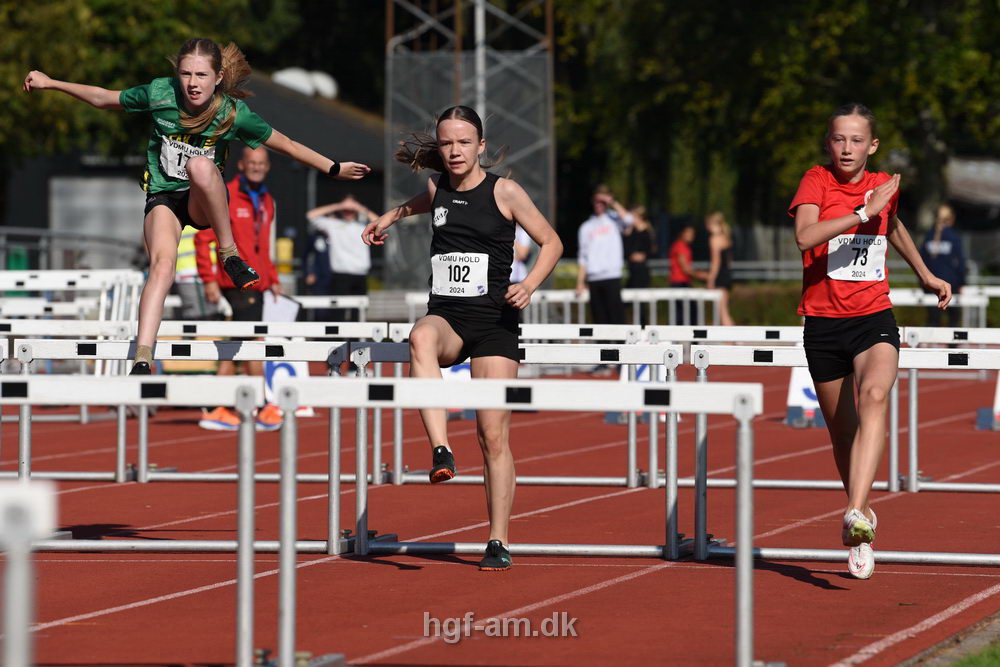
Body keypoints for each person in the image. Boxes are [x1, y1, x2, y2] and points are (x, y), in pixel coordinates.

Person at [23, 38, 369, 375]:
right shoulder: (160, 94)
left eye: (201, 75)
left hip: (204, 199)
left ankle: (229, 253)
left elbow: (287, 145)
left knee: (200, 166)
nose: (192, 84)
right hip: (164, 197)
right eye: (186, 74)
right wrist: (51, 83)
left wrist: (333, 167)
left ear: (218, 78)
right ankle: (142, 357)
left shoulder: (233, 114)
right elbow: (103, 99)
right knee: (161, 266)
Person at [362, 106, 563, 571]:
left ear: (480, 148)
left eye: (463, 143)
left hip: (495, 322)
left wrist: (529, 284)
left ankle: (497, 539)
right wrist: (388, 218)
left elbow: (552, 242)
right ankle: (439, 448)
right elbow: (420, 202)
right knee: (419, 338)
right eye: (446, 143)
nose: (453, 151)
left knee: (493, 436)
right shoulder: (437, 188)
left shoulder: (505, 191)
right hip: (448, 317)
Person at [790, 103, 951, 580]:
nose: (847, 148)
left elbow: (893, 225)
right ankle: (861, 510)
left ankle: (856, 517)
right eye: (839, 139)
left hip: (873, 316)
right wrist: (862, 211)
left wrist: (924, 274)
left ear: (872, 145)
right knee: (844, 433)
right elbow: (805, 236)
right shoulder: (815, 182)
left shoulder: (885, 186)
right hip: (822, 323)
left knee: (875, 395)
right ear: (828, 142)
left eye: (857, 140)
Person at [195, 145, 283, 431]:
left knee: (236, 346)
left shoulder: (267, 200)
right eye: (252, 162)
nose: (257, 167)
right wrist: (208, 280)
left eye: (262, 163)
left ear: (268, 167)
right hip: (237, 284)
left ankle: (217, 406)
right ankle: (257, 406)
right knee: (252, 345)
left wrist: (273, 278)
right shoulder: (227, 195)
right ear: (242, 165)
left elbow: (263, 247)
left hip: (258, 286)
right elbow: (202, 239)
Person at [306, 195, 377, 322]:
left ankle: (356, 341)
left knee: (359, 313)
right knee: (339, 312)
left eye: (351, 209)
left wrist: (359, 207)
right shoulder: (333, 224)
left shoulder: (363, 225)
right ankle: (339, 341)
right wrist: (339, 205)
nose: (348, 212)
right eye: (346, 209)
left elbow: (380, 222)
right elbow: (311, 215)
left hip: (360, 274)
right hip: (340, 275)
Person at [575, 186, 632, 325]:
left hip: (611, 276)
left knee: (617, 319)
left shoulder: (614, 220)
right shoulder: (586, 227)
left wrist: (612, 202)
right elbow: (583, 256)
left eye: (602, 201)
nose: (599, 204)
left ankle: (620, 347)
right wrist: (580, 282)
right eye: (596, 201)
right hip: (594, 278)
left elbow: (630, 220)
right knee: (599, 321)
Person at [920, 204, 965, 327]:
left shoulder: (928, 235)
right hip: (951, 284)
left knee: (933, 319)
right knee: (953, 319)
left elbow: (921, 261)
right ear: (951, 219)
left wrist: (923, 282)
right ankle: (952, 346)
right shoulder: (953, 236)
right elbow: (960, 262)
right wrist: (961, 282)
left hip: (931, 284)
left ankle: (928, 345)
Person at [667, 223, 708, 323]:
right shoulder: (680, 246)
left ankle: (688, 337)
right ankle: (686, 337)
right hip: (678, 282)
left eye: (692, 234)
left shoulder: (684, 246)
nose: (691, 236)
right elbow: (685, 268)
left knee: (687, 311)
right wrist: (702, 275)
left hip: (683, 282)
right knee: (685, 312)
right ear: (682, 233)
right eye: (688, 233)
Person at [622, 205, 656, 325]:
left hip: (641, 271)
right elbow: (626, 250)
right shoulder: (631, 231)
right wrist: (628, 233)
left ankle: (643, 328)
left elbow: (651, 251)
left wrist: (643, 255)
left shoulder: (646, 231)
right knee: (626, 301)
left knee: (640, 303)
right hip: (633, 270)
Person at [705, 211, 735, 326]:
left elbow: (715, 262)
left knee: (722, 311)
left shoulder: (714, 239)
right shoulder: (726, 237)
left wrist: (711, 279)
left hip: (720, 277)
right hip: (726, 275)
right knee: (724, 310)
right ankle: (734, 340)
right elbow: (728, 260)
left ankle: (734, 339)